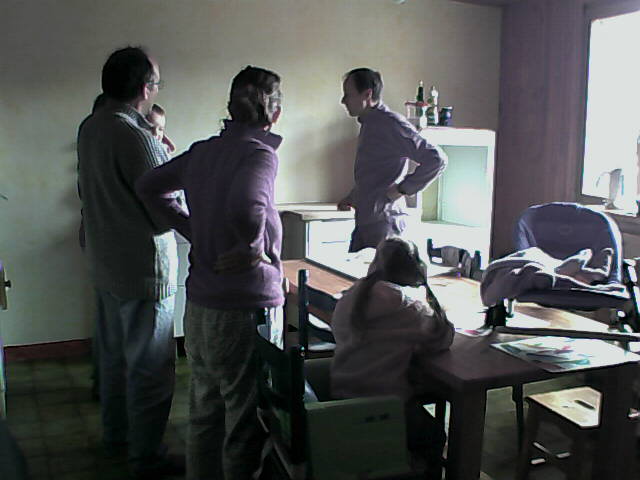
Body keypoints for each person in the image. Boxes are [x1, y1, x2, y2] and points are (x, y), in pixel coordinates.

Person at [136, 65, 284, 480]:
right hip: (243, 309)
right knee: (243, 421)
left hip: (201, 307)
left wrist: (191, 227)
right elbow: (248, 204)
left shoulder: (203, 151)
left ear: (231, 107)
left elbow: (149, 186)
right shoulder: (259, 154)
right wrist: (253, 247)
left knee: (205, 411)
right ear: (274, 112)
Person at [76, 46, 183, 480]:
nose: (157, 89)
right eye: (156, 82)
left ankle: (116, 438)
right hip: (143, 270)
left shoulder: (91, 126)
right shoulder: (135, 135)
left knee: (115, 361)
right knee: (150, 369)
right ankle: (146, 458)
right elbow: (165, 209)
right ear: (144, 89)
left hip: (106, 263)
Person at [330, 237, 454, 477]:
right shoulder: (410, 309)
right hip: (384, 407)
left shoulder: (352, 296)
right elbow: (443, 337)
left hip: (342, 397)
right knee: (434, 435)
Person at [338, 68, 448, 252]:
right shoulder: (369, 124)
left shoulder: (390, 124)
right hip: (366, 223)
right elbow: (375, 172)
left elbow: (436, 159)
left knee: (383, 271)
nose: (343, 100)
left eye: (348, 94)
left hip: (384, 225)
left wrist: (403, 189)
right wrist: (353, 197)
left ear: (367, 95)